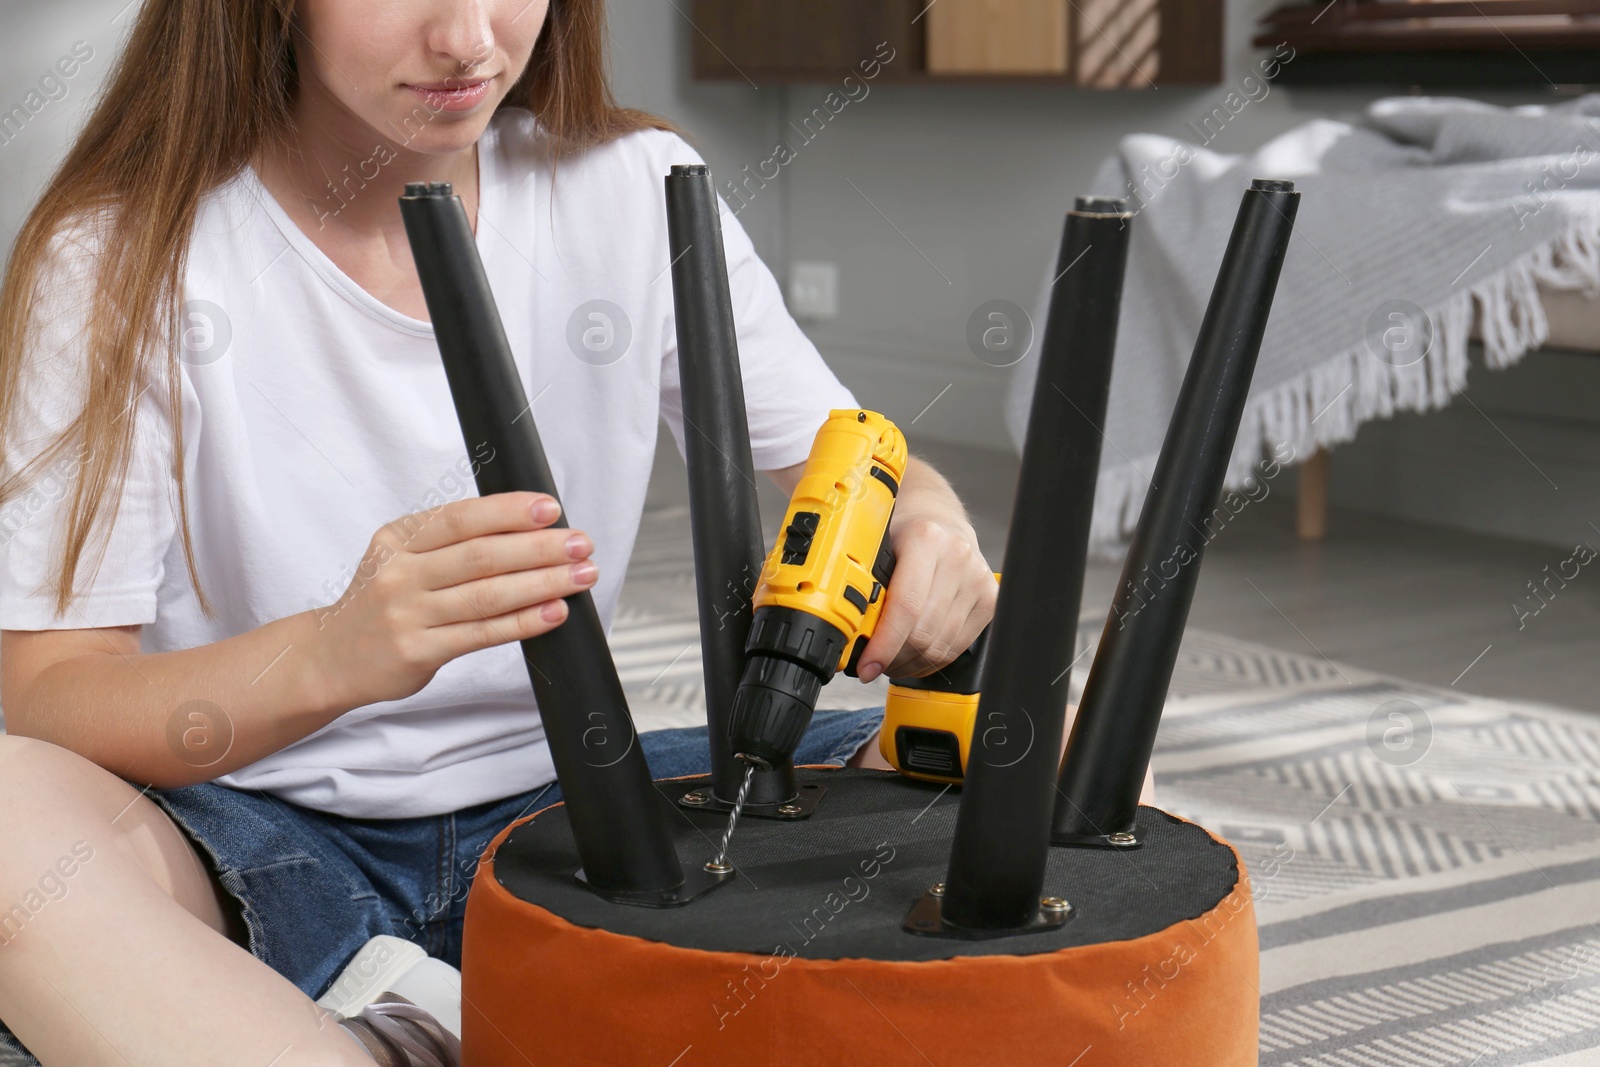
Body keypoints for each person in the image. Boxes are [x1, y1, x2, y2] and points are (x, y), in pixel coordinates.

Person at [0, 0, 998, 1063]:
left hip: (590, 803)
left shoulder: (633, 185)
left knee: (1048, 756)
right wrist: (328, 656)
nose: (470, 39)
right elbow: (48, 691)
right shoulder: (119, 253)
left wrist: (931, 522)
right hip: (258, 828)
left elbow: (843, 460)